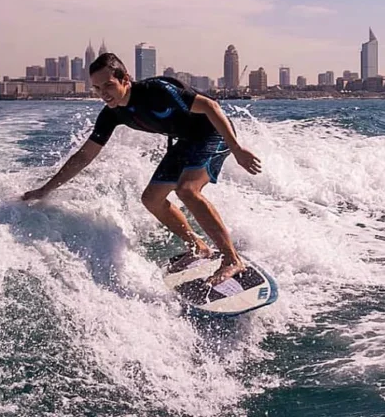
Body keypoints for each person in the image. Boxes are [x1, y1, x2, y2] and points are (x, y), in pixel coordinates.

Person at [22, 53, 262, 285]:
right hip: (187, 140)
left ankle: (232, 259)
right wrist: (45, 190)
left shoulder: (156, 92)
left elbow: (210, 106)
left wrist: (237, 149)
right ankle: (198, 247)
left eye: (108, 85)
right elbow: (84, 156)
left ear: (125, 79)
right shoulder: (111, 114)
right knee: (151, 199)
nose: (103, 94)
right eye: (97, 89)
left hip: (213, 132)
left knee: (187, 190)